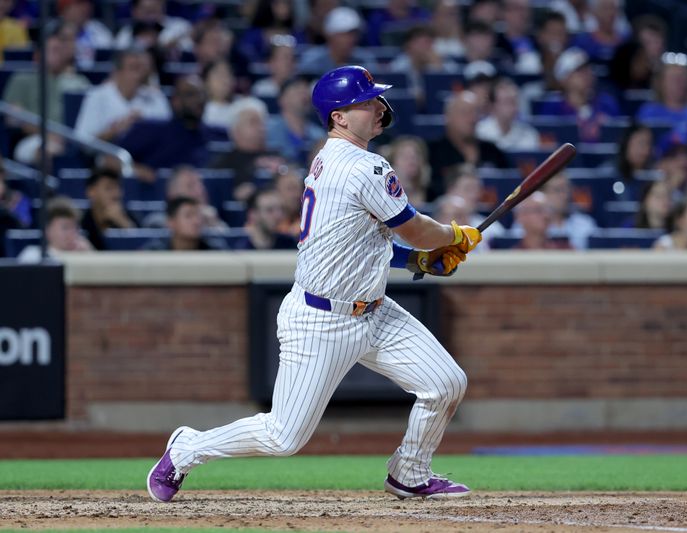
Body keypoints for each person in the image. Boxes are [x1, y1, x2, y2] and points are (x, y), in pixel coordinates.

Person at [147, 65, 481, 504]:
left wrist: (419, 260)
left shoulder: (331, 159)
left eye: (376, 99)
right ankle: (186, 448)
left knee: (446, 383)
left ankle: (410, 473)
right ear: (339, 116)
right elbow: (415, 229)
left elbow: (363, 240)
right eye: (366, 101)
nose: (379, 107)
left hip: (375, 311)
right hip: (321, 320)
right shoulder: (364, 166)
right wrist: (454, 236)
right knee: (283, 437)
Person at [3, 21, 90, 164]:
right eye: (52, 50)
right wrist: (49, 134)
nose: (57, 55)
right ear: (37, 55)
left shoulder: (80, 81)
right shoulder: (21, 79)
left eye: (60, 50)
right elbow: (14, 119)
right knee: (49, 149)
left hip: (74, 140)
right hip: (34, 138)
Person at [115, 75, 228, 182]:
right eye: (191, 94)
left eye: (203, 94)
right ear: (176, 101)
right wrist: (136, 170)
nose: (199, 100)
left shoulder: (219, 135)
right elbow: (111, 159)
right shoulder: (151, 129)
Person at [427, 91, 510, 201]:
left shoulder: (492, 151)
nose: (472, 119)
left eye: (476, 112)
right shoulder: (432, 152)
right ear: (448, 117)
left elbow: (507, 187)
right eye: (465, 113)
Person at [75, 47, 170, 142]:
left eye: (142, 68)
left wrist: (144, 125)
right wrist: (113, 131)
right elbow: (83, 143)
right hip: (110, 153)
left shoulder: (155, 96)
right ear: (117, 72)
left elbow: (169, 134)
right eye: (134, 68)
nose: (140, 74)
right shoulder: (97, 96)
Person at [210, 97, 287, 202]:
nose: (261, 128)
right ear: (235, 130)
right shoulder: (223, 165)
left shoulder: (278, 155)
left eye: (262, 122)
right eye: (253, 122)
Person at [537, 47, 621, 142]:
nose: (586, 74)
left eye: (588, 69)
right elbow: (546, 141)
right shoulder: (552, 106)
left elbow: (618, 137)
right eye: (579, 71)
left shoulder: (606, 103)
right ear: (564, 79)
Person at [636, 53, 687, 130]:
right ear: (661, 83)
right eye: (673, 79)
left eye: (682, 79)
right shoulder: (648, 112)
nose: (677, 84)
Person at [296, 7, 377, 75]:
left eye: (354, 34)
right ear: (330, 35)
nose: (351, 39)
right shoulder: (312, 60)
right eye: (344, 34)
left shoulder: (365, 60)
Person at [142, 165, 227, 230]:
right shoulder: (157, 223)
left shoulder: (212, 219)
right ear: (172, 194)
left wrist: (214, 222)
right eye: (190, 186)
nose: (199, 192)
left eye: (200, 186)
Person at [265, 77, 327, 165]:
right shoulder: (267, 128)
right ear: (282, 99)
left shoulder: (318, 134)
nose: (304, 95)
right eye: (297, 90)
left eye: (306, 90)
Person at [17, 196, 94, 262]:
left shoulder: (83, 255)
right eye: (65, 228)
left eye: (75, 228)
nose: (72, 233)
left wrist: (89, 254)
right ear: (48, 230)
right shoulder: (32, 256)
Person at [476, 77, 541, 152]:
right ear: (493, 106)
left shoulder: (529, 135)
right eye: (507, 102)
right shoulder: (479, 133)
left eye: (514, 102)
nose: (513, 108)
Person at [141, 196, 227, 251]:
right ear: (171, 222)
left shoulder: (215, 251)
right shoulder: (154, 253)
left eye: (199, 215)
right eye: (188, 216)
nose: (196, 221)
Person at [82, 167, 138, 250]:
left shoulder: (130, 217)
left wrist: (123, 222)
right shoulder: (81, 221)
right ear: (91, 192)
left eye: (117, 188)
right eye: (108, 188)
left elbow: (142, 250)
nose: (115, 194)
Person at [540, 171, 597, 250]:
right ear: (544, 194)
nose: (564, 196)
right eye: (557, 190)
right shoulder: (529, 225)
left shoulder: (585, 224)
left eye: (566, 189)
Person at [57, 0, 113, 68]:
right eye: (79, 4)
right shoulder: (52, 31)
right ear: (65, 8)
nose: (85, 8)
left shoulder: (100, 32)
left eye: (87, 3)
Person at [382, 135, 431, 207]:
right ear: (392, 162)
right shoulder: (382, 194)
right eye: (404, 156)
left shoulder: (433, 192)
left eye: (415, 155)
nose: (411, 160)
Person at [610, 123, 654, 201]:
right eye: (641, 143)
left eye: (648, 144)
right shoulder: (609, 173)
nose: (646, 150)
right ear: (626, 143)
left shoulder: (652, 176)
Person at [201, 60, 238, 129]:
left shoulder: (242, 108)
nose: (223, 80)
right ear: (206, 81)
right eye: (219, 74)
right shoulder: (199, 110)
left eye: (227, 75)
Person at [0, 0, 29, 66]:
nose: (1, 4)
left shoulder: (17, 28)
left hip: (10, 73)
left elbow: (21, 60)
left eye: (4, 1)